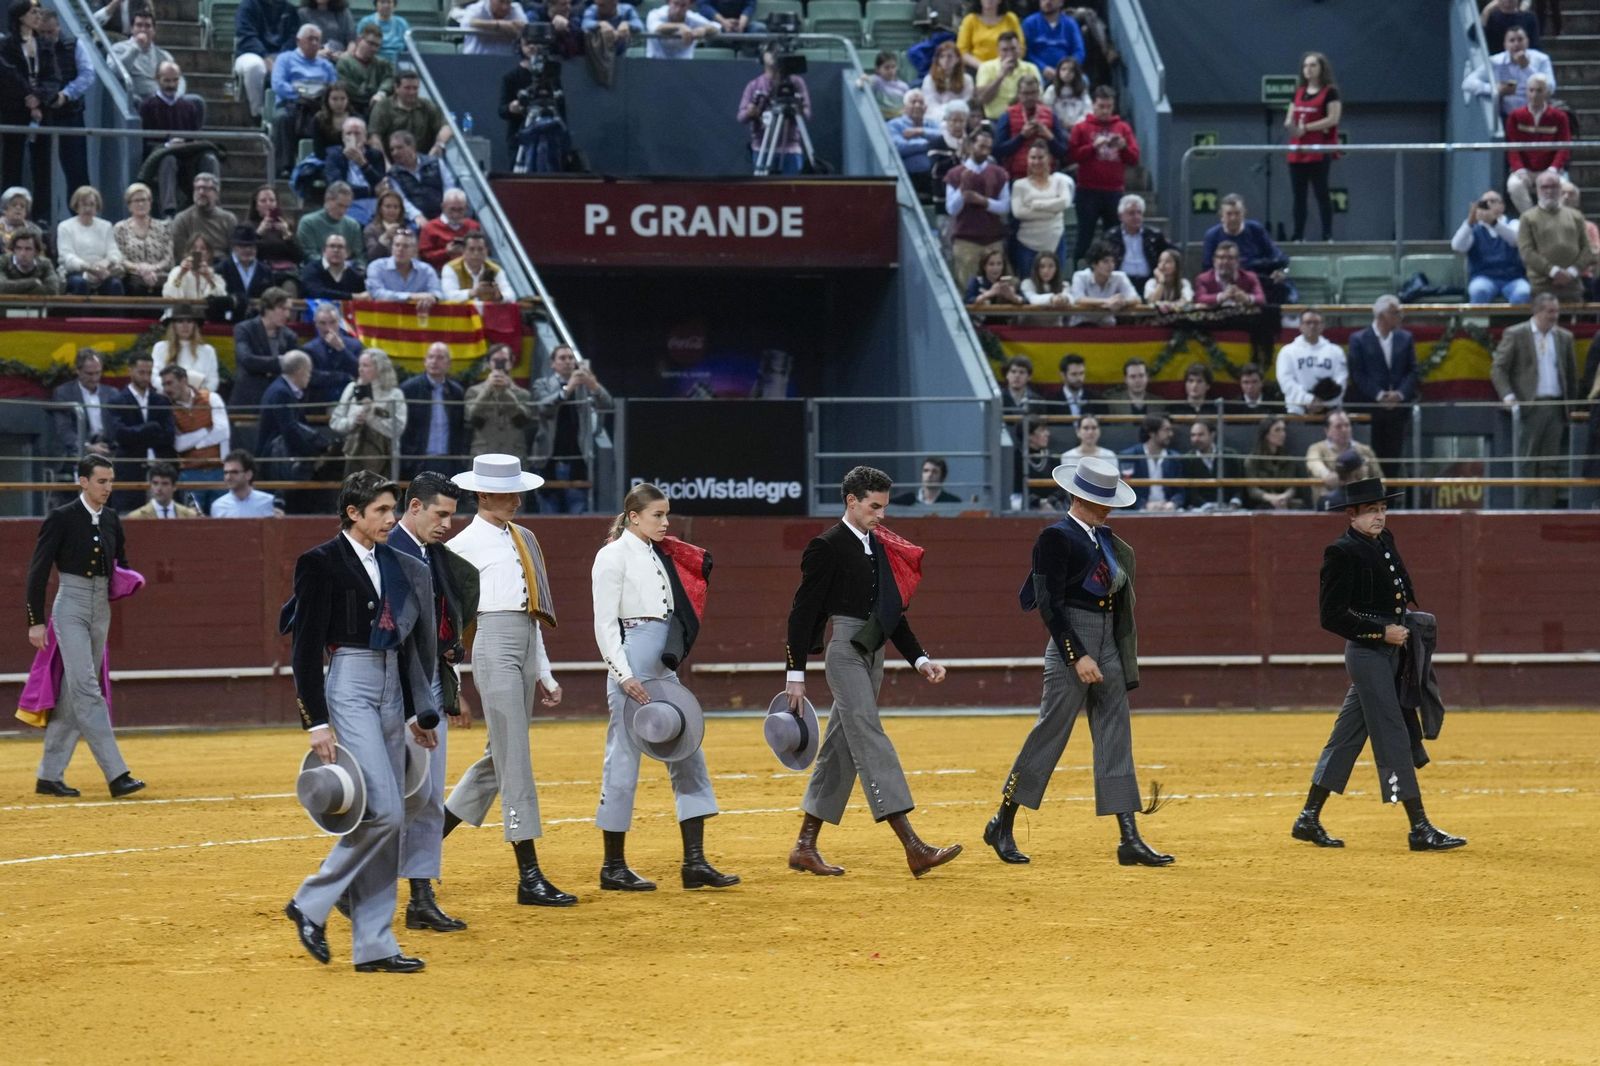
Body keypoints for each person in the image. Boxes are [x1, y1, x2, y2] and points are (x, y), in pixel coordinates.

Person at [282, 470, 440, 973]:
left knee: (390, 822)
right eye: (381, 512)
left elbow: (412, 644)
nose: (391, 520)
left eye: (393, 511)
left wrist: (419, 709)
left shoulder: (398, 562)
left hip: (392, 686)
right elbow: (304, 647)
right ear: (353, 513)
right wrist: (316, 721)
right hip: (348, 682)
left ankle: (374, 944)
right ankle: (312, 900)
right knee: (387, 812)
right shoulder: (320, 562)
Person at [986, 454, 1171, 866]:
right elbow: (1049, 605)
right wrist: (1077, 654)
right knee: (1050, 732)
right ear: (1076, 496)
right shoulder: (1055, 537)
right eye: (1098, 500)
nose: (1107, 507)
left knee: (1115, 733)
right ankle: (1002, 821)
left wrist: (1104, 649)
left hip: (1105, 638)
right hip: (1074, 638)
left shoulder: (1101, 538)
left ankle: (1129, 838)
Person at [782, 465, 960, 878]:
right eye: (874, 507)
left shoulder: (878, 546)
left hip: (873, 652)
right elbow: (803, 612)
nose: (880, 515)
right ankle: (913, 846)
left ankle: (804, 846)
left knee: (841, 747)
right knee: (870, 735)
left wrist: (920, 659)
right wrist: (795, 671)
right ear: (851, 501)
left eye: (883, 507)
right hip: (844, 650)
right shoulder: (825, 546)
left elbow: (891, 614)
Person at [1291, 477, 1466, 853]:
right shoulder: (1340, 552)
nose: (1379, 517)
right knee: (1392, 733)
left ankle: (1308, 817)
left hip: (1390, 654)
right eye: (1371, 510)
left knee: (1347, 737)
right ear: (1351, 514)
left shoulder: (1384, 542)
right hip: (1367, 655)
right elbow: (1331, 615)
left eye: (1383, 509)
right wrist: (1379, 632)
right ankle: (1419, 826)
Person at [441, 453, 576, 907]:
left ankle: (420, 840)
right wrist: (453, 686)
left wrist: (544, 671)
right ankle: (529, 874)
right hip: (492, 645)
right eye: (507, 492)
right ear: (482, 494)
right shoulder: (461, 546)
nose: (517, 500)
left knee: (498, 758)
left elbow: (533, 613)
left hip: (521, 641)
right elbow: (451, 624)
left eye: (518, 491)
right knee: (514, 754)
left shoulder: (526, 538)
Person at [589, 483, 738, 891]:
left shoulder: (659, 554)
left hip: (660, 666)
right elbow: (604, 625)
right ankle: (612, 867)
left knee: (688, 752)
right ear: (634, 516)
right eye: (658, 515)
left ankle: (695, 862)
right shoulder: (611, 556)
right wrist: (624, 676)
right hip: (633, 663)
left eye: (666, 514)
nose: (666, 522)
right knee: (623, 759)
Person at [24, 455, 147, 800]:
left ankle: (49, 775)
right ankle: (117, 774)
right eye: (101, 481)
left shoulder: (110, 519)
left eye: (111, 481)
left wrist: (127, 580)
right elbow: (38, 570)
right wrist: (35, 620)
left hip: (100, 609)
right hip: (71, 606)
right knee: (88, 690)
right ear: (83, 481)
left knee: (71, 696)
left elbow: (121, 562)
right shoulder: (61, 518)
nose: (108, 488)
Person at [388, 471, 477, 933]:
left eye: (452, 515)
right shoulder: (386, 551)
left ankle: (421, 896)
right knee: (387, 798)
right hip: (394, 693)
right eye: (440, 514)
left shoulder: (436, 556)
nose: (448, 523)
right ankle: (352, 886)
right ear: (415, 507)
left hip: (433, 689)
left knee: (425, 797)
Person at [1492, 292, 1578, 509]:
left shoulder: (1564, 337)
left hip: (1556, 408)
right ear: (1537, 311)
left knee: (1550, 465)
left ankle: (1546, 513)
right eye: (1551, 311)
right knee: (1526, 463)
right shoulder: (1516, 334)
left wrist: (1571, 407)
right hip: (1529, 407)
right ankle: (1525, 513)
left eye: (1557, 311)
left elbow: (1570, 375)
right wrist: (1508, 397)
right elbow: (1498, 368)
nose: (1555, 316)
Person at [532, 345, 611, 513]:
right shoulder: (542, 384)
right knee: (549, 515)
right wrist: (567, 389)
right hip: (548, 458)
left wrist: (593, 385)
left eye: (570, 358)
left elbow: (608, 405)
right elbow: (543, 407)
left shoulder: (585, 386)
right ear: (552, 363)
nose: (568, 362)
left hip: (578, 458)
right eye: (562, 358)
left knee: (578, 513)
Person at [1067, 86, 1139, 267]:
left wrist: (1123, 147)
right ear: (1093, 105)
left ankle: (1113, 274)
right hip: (1087, 190)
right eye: (1101, 106)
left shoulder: (1122, 127)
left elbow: (1134, 158)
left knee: (1114, 238)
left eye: (1109, 106)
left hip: (1114, 190)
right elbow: (1071, 156)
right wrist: (1093, 147)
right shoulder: (1081, 127)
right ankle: (1078, 272)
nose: (1105, 111)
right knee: (1085, 235)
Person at [1345, 295, 1420, 467]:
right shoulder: (1358, 339)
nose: (1400, 316)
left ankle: (1391, 494)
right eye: (1395, 313)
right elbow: (1357, 374)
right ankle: (1374, 495)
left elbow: (1413, 371)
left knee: (1393, 462)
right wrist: (1380, 395)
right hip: (1370, 408)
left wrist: (1399, 395)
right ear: (1381, 315)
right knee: (1369, 461)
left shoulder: (1406, 338)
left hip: (1398, 411)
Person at [139, 61, 219, 219]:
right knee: (168, 159)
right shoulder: (147, 106)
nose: (171, 85)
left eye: (175, 80)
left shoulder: (189, 106)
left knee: (209, 159)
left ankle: (213, 205)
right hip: (161, 155)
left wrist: (186, 144)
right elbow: (145, 141)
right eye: (167, 81)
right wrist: (168, 145)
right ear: (157, 79)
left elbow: (195, 137)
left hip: (187, 153)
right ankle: (169, 212)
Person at [1284, 51, 1341, 243]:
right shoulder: (1298, 92)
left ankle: (1327, 235)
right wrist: (1291, 127)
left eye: (1313, 65)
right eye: (1305, 66)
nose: (1308, 69)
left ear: (1321, 68)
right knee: (1298, 197)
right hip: (1297, 151)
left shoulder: (1330, 92)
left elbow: (1333, 118)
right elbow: (1289, 118)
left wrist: (1306, 127)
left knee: (1321, 193)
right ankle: (1298, 235)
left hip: (1318, 151)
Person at [106, 353, 177, 506]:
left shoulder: (161, 400)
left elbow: (169, 436)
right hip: (129, 469)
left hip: (160, 468)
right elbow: (119, 435)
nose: (146, 378)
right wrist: (150, 429)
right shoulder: (116, 401)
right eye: (141, 372)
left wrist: (137, 435)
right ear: (130, 371)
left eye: (149, 373)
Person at [269, 24, 340, 176]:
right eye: (310, 39)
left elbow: (334, 87)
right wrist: (300, 95)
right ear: (299, 41)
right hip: (292, 104)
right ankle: (284, 168)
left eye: (317, 40)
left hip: (318, 105)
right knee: (282, 118)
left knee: (332, 120)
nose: (314, 43)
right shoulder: (285, 59)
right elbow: (278, 84)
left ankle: (323, 167)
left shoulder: (326, 65)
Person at [944, 128, 1011, 289]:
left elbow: (1005, 207)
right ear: (970, 145)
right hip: (966, 240)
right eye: (981, 147)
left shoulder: (999, 173)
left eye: (988, 148)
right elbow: (951, 209)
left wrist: (983, 201)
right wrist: (962, 189)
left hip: (993, 239)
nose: (985, 152)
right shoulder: (955, 174)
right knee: (966, 287)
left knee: (998, 286)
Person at [1517, 169, 1595, 302]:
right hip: (1541, 285)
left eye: (1554, 186)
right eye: (1545, 187)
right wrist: (1553, 271)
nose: (1549, 191)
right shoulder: (1527, 218)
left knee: (1575, 322)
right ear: (1537, 190)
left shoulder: (1576, 216)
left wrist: (1571, 272)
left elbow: (1587, 249)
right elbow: (1526, 252)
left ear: (1559, 189)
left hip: (1573, 284)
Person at [737, 45, 813, 175]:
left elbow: (807, 114)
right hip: (762, 146)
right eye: (770, 50)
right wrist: (751, 112)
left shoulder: (796, 83)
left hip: (791, 148)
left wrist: (797, 107)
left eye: (777, 50)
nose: (774, 54)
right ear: (762, 55)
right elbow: (741, 117)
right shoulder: (754, 85)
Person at [331, 348, 408, 475]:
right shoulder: (351, 389)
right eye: (359, 365)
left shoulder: (394, 394)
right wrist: (352, 422)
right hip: (353, 454)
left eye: (365, 366)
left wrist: (371, 418)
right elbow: (335, 421)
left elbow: (398, 428)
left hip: (385, 458)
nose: (360, 369)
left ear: (379, 368)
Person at [1201, 196, 1290, 304]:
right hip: (1225, 282)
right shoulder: (1212, 236)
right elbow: (1207, 267)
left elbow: (1277, 256)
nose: (1233, 218)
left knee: (1280, 287)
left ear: (1244, 213)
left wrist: (1281, 271)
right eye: (1229, 214)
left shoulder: (1256, 229)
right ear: (1221, 216)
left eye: (1237, 213)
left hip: (1258, 279)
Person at [160, 364, 231, 499]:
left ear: (183, 381)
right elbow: (178, 444)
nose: (166, 389)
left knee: (222, 518)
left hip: (218, 470)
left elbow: (222, 432)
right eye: (164, 385)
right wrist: (206, 430)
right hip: (190, 472)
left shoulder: (211, 398)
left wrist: (194, 443)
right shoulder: (168, 408)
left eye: (169, 383)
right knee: (192, 517)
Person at [1504, 75, 1570, 215]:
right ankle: (1532, 218)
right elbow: (1512, 147)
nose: (1534, 95)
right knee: (1514, 185)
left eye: (1539, 90)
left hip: (1550, 169)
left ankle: (1554, 218)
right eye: (1531, 90)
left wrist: (1553, 169)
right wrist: (1520, 170)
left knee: (1567, 189)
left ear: (1546, 92)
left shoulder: (1559, 116)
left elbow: (1564, 146)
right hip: (1525, 169)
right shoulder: (1516, 116)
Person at [398, 342, 466, 475]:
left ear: (448, 363)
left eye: (440, 358)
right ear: (425, 361)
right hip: (418, 460)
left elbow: (460, 428)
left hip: (449, 460)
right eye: (431, 357)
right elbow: (404, 429)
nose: (434, 361)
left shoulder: (456, 392)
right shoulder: (409, 389)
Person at [1451, 190, 1529, 304]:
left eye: (1492, 201)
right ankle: (1477, 322)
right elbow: (1457, 246)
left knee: (1523, 292)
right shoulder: (1474, 228)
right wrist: (1469, 223)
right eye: (1484, 203)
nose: (1488, 205)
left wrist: (1494, 222)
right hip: (1483, 277)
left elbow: (1515, 240)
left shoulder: (1513, 223)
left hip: (1513, 278)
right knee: (1479, 290)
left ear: (1502, 206)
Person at [1462, 24, 1554, 120]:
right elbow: (1468, 83)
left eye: (1520, 40)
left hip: (1537, 114)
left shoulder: (1541, 59)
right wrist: (1494, 89)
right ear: (1505, 45)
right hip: (1508, 116)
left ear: (1527, 42)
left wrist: (1527, 68)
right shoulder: (1495, 61)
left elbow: (1550, 87)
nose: (1516, 44)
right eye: (1512, 40)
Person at [1010, 140, 1072, 279]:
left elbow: (1065, 203)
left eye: (1040, 157)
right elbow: (1018, 212)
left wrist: (1037, 205)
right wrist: (1053, 210)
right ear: (1027, 160)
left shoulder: (1060, 181)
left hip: (1055, 241)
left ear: (1049, 159)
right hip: (1027, 244)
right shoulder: (1019, 185)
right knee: (1028, 284)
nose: (1037, 161)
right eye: (1033, 158)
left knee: (1055, 285)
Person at [231, 287, 299, 412]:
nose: (287, 315)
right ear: (267, 308)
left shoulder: (290, 336)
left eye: (289, 310)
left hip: (278, 400)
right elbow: (247, 360)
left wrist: (264, 365)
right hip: (249, 399)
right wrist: (280, 362)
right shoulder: (244, 329)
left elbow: (294, 367)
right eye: (283, 309)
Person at [234, 0, 302, 120]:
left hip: (281, 55)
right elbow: (246, 36)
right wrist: (265, 56)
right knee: (254, 66)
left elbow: (293, 38)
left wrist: (280, 60)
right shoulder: (248, 5)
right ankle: (257, 114)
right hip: (251, 53)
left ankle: (288, 111)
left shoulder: (290, 9)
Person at [464, 344, 534, 456]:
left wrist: (505, 391)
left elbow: (522, 420)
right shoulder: (474, 391)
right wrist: (488, 389)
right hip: (483, 453)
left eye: (504, 360)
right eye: (495, 360)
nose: (499, 365)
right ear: (488, 363)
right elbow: (471, 417)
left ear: (511, 363)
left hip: (513, 453)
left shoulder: (523, 394)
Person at [1275, 308, 1347, 415]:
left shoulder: (1336, 351)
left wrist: (1323, 402)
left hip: (1330, 411)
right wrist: (1308, 399)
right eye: (1308, 322)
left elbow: (1341, 381)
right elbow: (1286, 382)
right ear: (1300, 326)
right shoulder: (1287, 352)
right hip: (1297, 410)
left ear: (1322, 326)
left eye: (1316, 322)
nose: (1312, 326)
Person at [993, 74, 1065, 180]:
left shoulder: (1050, 114)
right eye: (1026, 93)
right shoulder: (1007, 115)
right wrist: (1021, 137)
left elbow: (1063, 152)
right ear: (1018, 94)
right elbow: (997, 150)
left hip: (1047, 177)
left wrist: (1049, 137)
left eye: (1033, 93)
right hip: (1017, 176)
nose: (1030, 97)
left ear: (1039, 93)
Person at [56, 187, 125, 296]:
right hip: (76, 273)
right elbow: (67, 257)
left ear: (97, 207)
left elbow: (114, 253)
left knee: (115, 285)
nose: (88, 208)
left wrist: (104, 264)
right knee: (80, 284)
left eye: (92, 204)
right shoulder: (65, 227)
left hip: (102, 272)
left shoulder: (106, 226)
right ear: (76, 206)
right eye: (84, 204)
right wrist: (89, 268)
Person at [1306, 410, 1383, 507]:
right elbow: (1314, 464)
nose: (1344, 429)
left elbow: (1380, 480)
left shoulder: (1365, 450)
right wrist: (1326, 475)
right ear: (1327, 431)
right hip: (1329, 506)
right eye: (1338, 426)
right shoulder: (1316, 448)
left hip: (1362, 504)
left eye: (1347, 425)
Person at [50, 350, 113, 466]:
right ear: (78, 371)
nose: (94, 378)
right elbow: (64, 429)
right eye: (89, 374)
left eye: (98, 373)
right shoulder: (64, 393)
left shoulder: (112, 393)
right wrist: (88, 447)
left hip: (108, 450)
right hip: (78, 452)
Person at [368, 70, 451, 158]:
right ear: (396, 88)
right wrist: (385, 164)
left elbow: (446, 128)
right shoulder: (383, 107)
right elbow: (374, 137)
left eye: (415, 88)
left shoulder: (426, 105)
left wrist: (439, 145)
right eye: (407, 88)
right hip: (392, 161)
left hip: (422, 160)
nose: (412, 92)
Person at [1103, 194, 1170, 296]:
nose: (1136, 217)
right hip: (1120, 284)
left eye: (1139, 213)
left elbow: (1171, 253)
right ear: (1121, 216)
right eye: (1131, 213)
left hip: (1149, 282)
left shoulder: (1154, 235)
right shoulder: (1111, 237)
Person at [1116, 414, 1184, 511]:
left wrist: (1173, 503)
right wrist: (1144, 505)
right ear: (1152, 433)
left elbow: (1180, 492)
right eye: (1166, 430)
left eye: (1170, 430)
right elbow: (1124, 491)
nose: (1170, 434)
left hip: (1168, 511)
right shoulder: (1129, 456)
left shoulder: (1175, 458)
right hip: (1139, 512)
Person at [113, 183, 171, 296]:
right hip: (132, 277)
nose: (141, 204)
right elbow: (119, 258)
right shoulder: (120, 228)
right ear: (129, 205)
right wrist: (140, 269)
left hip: (160, 276)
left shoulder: (163, 227)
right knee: (134, 287)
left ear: (150, 203)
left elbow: (168, 259)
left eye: (144, 200)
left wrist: (152, 268)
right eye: (136, 200)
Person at [170, 173, 238, 269]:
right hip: (194, 265)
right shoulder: (182, 219)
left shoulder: (229, 219)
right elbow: (181, 253)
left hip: (223, 267)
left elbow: (234, 251)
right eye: (198, 188)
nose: (201, 192)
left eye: (206, 189)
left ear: (216, 194)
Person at [325, 117, 389, 218]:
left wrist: (363, 163)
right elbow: (337, 187)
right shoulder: (334, 155)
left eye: (357, 133)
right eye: (349, 133)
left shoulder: (375, 155)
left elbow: (381, 185)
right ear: (343, 138)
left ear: (365, 137)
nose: (353, 137)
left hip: (373, 202)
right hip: (347, 202)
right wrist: (369, 191)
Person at [109, 8, 178, 102]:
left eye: (147, 26)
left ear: (154, 31)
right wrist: (136, 48)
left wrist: (177, 96)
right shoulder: (118, 48)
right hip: (137, 98)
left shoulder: (164, 55)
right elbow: (114, 72)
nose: (143, 29)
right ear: (132, 29)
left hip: (162, 98)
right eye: (139, 25)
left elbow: (178, 80)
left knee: (196, 101)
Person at [972, 30, 1039, 122]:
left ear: (1020, 49)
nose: (1010, 54)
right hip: (995, 119)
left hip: (1024, 119)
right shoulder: (986, 67)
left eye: (1013, 49)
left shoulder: (1031, 68)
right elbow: (982, 99)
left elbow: (1038, 99)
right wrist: (1001, 76)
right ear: (998, 51)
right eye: (1005, 50)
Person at [297, 183, 367, 270]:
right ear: (328, 200)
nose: (343, 211)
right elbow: (308, 254)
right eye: (340, 205)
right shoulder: (308, 222)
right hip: (317, 272)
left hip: (347, 273)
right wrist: (333, 266)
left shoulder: (353, 225)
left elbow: (358, 256)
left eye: (346, 207)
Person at [1067, 242, 1138, 327]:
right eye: (1105, 262)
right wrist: (1107, 301)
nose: (1111, 265)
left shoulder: (1120, 276)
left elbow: (1136, 298)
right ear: (1094, 264)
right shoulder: (1080, 276)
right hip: (1081, 325)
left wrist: (1123, 302)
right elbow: (1078, 299)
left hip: (1107, 325)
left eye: (1113, 261)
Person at [1246, 416, 1308, 510]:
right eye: (1277, 430)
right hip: (1263, 503)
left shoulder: (1288, 459)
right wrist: (1272, 498)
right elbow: (1253, 490)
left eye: (1283, 430)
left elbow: (1292, 487)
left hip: (1285, 501)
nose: (1283, 434)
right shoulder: (1252, 460)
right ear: (1266, 434)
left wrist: (1283, 497)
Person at [385, 130, 448, 221]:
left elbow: (449, 187)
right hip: (414, 218)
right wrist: (417, 216)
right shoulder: (393, 174)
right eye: (392, 150)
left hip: (443, 213)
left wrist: (447, 211)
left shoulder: (436, 163)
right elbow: (402, 200)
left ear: (412, 147)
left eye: (399, 148)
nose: (395, 153)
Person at [366, 231, 442, 304]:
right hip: (384, 315)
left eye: (406, 246)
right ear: (392, 247)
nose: (400, 249)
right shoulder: (376, 266)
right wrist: (411, 297)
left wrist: (433, 299)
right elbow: (376, 294)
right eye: (397, 245)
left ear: (415, 250)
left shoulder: (426, 270)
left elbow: (438, 293)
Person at [419, 189, 483, 270]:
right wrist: (446, 252)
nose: (456, 214)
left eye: (460, 210)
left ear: (466, 208)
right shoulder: (429, 228)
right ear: (443, 207)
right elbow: (424, 257)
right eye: (452, 209)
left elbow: (483, 251)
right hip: (439, 272)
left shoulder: (473, 226)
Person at [887, 90, 935, 197]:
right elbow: (900, 147)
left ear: (926, 108)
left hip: (934, 176)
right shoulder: (894, 125)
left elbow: (944, 137)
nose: (917, 105)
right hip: (909, 177)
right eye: (913, 102)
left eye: (921, 102)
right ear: (904, 108)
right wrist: (929, 144)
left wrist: (920, 132)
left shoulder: (932, 124)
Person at [442, 232, 514, 302]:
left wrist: (499, 296)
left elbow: (511, 296)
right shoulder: (450, 268)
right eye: (471, 249)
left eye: (480, 249)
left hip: (488, 312)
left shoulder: (495, 269)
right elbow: (448, 296)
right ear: (463, 251)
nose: (476, 253)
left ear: (486, 251)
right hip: (460, 313)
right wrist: (474, 292)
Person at [219, 226, 274, 316]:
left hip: (258, 321)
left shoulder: (266, 271)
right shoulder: (221, 269)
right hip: (228, 321)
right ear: (234, 247)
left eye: (251, 246)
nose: (248, 250)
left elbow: (271, 299)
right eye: (243, 246)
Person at [1021, 0, 1083, 80]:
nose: (1048, 1)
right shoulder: (1029, 23)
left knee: (1084, 81)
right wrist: (1043, 68)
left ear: (1061, 2)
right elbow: (1026, 52)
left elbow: (1079, 51)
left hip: (1067, 73)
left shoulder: (1070, 24)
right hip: (1038, 72)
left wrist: (1068, 68)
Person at [1194, 240, 1265, 308]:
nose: (1225, 262)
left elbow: (1261, 298)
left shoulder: (1250, 277)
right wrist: (1222, 296)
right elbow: (1199, 298)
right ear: (1214, 261)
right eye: (1221, 258)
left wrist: (1247, 298)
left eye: (1230, 258)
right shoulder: (1203, 279)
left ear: (1238, 261)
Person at [337, 25, 393, 111]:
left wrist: (381, 93)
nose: (374, 48)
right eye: (370, 43)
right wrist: (370, 94)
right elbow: (347, 87)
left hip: (378, 107)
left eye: (377, 45)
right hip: (352, 108)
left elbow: (389, 79)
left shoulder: (383, 64)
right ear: (359, 40)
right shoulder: (345, 63)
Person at [957, 0, 1023, 72]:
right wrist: (984, 67)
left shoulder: (1011, 19)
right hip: (977, 68)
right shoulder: (969, 20)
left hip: (1008, 67)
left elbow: (1021, 47)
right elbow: (962, 51)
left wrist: (1007, 64)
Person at [211, 448, 280, 516]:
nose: (228, 477)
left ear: (248, 475)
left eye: (234, 472)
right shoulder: (217, 506)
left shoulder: (269, 503)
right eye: (226, 473)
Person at [301, 232, 368, 300]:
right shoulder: (311, 269)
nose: (336, 250)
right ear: (324, 251)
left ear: (347, 253)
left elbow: (363, 298)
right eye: (332, 246)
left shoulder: (355, 276)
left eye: (340, 247)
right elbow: (316, 292)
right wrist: (352, 296)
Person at [919, 40, 971, 125]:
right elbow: (931, 104)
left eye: (950, 56)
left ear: (957, 59)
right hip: (935, 118)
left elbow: (966, 101)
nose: (946, 60)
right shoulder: (929, 79)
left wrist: (954, 113)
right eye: (942, 56)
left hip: (959, 118)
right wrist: (946, 115)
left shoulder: (967, 79)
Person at [125, 461, 199, 519]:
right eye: (155, 483)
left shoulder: (190, 515)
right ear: (150, 485)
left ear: (174, 487)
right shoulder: (135, 517)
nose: (159, 488)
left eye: (165, 484)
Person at [0, 227, 63, 295]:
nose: (22, 254)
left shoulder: (45, 263)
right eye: (18, 248)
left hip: (37, 305)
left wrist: (14, 289)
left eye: (28, 249)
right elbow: (1, 287)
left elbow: (52, 290)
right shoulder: (3, 261)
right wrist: (33, 282)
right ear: (13, 249)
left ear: (36, 251)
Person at [161, 235, 226, 301]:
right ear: (188, 252)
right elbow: (168, 296)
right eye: (194, 248)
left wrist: (209, 279)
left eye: (203, 248)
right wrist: (180, 275)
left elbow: (220, 299)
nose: (198, 251)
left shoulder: (213, 274)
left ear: (209, 254)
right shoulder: (177, 271)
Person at [646, 0, 716, 59]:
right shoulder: (655, 14)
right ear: (669, 2)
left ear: (690, 5)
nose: (678, 10)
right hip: (655, 64)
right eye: (675, 4)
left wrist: (704, 29)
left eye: (683, 5)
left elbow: (716, 27)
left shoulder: (693, 18)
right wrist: (680, 26)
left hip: (684, 66)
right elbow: (656, 27)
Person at [364, 189, 412, 265]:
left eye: (396, 207)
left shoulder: (407, 229)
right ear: (380, 208)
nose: (392, 210)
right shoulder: (371, 229)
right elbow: (371, 256)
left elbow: (415, 256)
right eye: (388, 206)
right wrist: (386, 237)